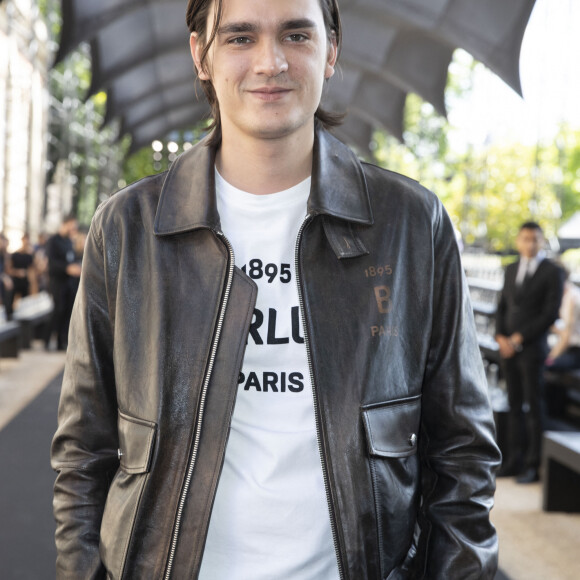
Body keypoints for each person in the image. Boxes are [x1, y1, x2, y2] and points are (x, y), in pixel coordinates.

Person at [51, 0, 501, 578]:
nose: (271, 62)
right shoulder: (129, 229)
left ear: (331, 49)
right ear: (201, 55)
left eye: (295, 34)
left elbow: (462, 453)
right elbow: (83, 450)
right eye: (240, 38)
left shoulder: (411, 225)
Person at [495, 222, 564, 483]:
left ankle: (534, 465)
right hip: (508, 349)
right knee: (513, 405)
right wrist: (501, 337)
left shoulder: (552, 271)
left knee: (534, 406)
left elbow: (550, 313)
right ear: (518, 240)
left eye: (534, 239)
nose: (529, 243)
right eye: (525, 238)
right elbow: (501, 305)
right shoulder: (511, 268)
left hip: (533, 349)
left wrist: (518, 338)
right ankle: (513, 460)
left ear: (541, 241)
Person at [45, 215, 81, 350]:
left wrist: (76, 266)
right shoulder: (53, 241)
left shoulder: (68, 242)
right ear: (65, 224)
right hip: (57, 281)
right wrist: (67, 268)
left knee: (67, 311)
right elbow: (52, 263)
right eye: (72, 225)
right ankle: (47, 340)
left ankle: (61, 342)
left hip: (69, 282)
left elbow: (71, 259)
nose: (74, 229)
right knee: (58, 310)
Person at [545, 271, 580, 371]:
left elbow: (566, 338)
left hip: (575, 351)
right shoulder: (565, 295)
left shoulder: (572, 298)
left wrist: (550, 358)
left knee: (544, 364)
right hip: (568, 348)